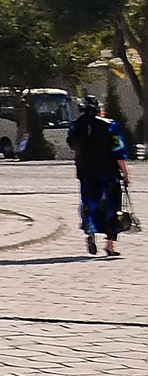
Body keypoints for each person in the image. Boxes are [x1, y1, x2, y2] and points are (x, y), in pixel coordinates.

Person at [69, 95, 130, 257]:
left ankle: (91, 234)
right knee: (112, 207)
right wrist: (125, 173)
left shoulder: (75, 126)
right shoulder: (110, 126)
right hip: (108, 174)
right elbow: (118, 152)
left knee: (90, 204)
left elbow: (72, 145)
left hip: (86, 174)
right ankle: (110, 244)